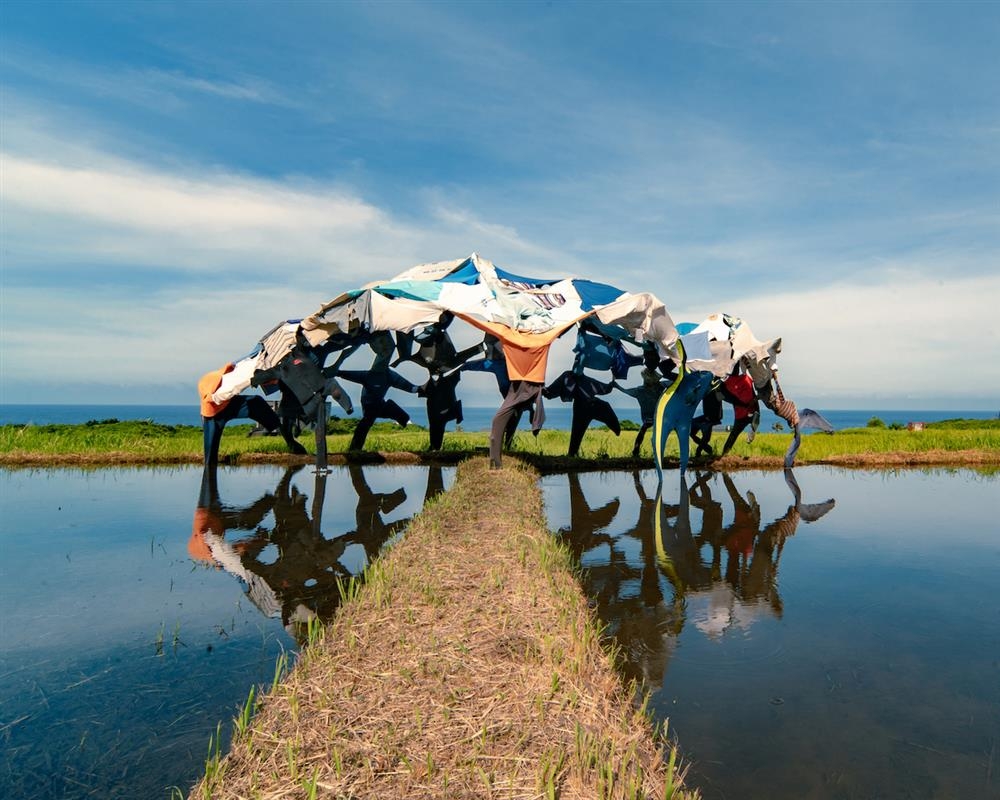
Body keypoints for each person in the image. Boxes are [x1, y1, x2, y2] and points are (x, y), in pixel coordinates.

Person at [327, 332, 421, 452]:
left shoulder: (389, 375)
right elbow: (347, 374)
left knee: (401, 415)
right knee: (365, 423)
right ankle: (354, 449)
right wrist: (336, 372)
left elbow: (407, 386)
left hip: (380, 404)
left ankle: (406, 425)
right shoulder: (369, 375)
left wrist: (419, 389)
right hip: (369, 406)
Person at [199, 362, 306, 464]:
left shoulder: (244, 368)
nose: (274, 383)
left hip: (227, 400)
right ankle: (209, 467)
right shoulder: (237, 383)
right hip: (213, 409)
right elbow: (219, 396)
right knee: (210, 453)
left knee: (256, 402)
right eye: (272, 381)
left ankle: (289, 441)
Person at [543, 366, 620, 458]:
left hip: (593, 406)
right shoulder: (567, 376)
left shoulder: (585, 381)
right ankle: (572, 454)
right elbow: (550, 392)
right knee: (576, 435)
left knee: (605, 409)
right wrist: (542, 390)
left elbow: (606, 389)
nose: (578, 365)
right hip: (581, 409)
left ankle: (616, 429)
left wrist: (613, 380)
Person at [613, 367, 668, 457]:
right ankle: (639, 451)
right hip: (660, 415)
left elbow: (626, 391)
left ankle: (636, 451)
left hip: (653, 416)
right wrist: (617, 386)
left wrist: (617, 386)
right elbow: (673, 383)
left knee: (644, 430)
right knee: (650, 431)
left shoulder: (642, 390)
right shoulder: (659, 386)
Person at [719, 365, 760, 456]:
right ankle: (724, 454)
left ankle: (724, 454)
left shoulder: (725, 384)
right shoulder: (746, 378)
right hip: (750, 411)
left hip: (741, 415)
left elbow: (723, 397)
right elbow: (753, 394)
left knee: (733, 435)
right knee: (735, 434)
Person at [690, 380, 724, 458]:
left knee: (706, 436)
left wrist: (716, 417)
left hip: (714, 416)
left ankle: (699, 451)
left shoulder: (717, 389)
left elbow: (720, 401)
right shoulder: (704, 390)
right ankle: (706, 448)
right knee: (691, 431)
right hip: (706, 416)